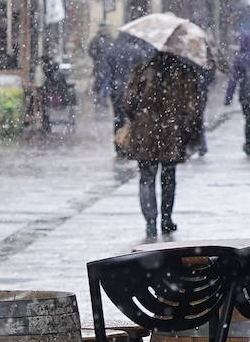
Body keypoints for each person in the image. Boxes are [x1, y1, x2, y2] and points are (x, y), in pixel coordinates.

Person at [117, 51, 203, 240]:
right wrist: (184, 127)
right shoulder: (184, 73)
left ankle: (150, 223)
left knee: (146, 179)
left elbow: (128, 103)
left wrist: (140, 118)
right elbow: (193, 108)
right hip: (171, 133)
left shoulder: (143, 71)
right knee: (168, 178)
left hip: (145, 133)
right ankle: (166, 219)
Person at [105, 33, 153, 156]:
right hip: (132, 89)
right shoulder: (137, 51)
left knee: (117, 118)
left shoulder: (112, 50)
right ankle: (129, 143)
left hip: (116, 89)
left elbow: (108, 69)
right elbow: (143, 70)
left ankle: (119, 144)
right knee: (132, 118)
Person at [87, 24, 113, 108]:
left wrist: (95, 57)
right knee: (103, 82)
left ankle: (101, 99)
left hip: (103, 64)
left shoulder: (102, 39)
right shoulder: (101, 39)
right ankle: (101, 99)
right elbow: (90, 50)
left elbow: (90, 50)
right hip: (103, 64)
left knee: (103, 82)